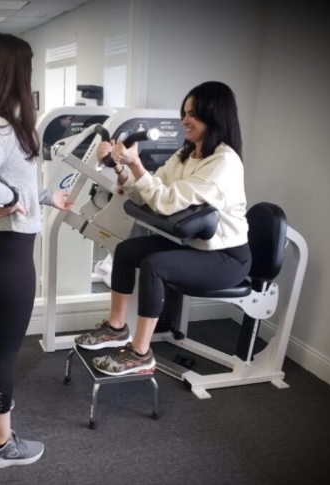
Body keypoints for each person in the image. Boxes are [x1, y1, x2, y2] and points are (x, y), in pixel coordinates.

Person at [74, 81, 251, 376]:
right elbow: (148, 191)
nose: (185, 119)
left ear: (215, 115)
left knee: (155, 265)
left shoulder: (224, 163)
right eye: (185, 112)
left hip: (227, 257)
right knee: (128, 249)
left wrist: (136, 163)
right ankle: (117, 328)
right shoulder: (185, 155)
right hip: (193, 245)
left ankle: (141, 354)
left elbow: (166, 201)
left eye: (193, 114)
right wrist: (119, 165)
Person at [0, 32, 73, 469]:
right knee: (5, 350)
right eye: (27, 68)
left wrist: (41, 199)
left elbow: (8, 179)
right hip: (6, 255)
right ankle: (0, 447)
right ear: (14, 73)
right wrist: (9, 199)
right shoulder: (2, 125)